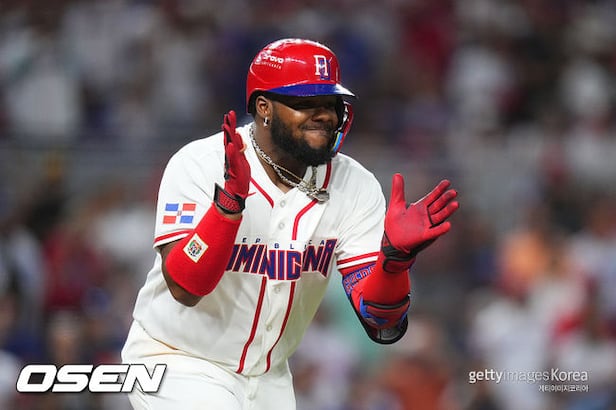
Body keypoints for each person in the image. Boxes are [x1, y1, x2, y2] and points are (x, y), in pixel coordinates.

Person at [121, 38, 459, 409]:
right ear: (264, 107)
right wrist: (227, 208)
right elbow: (185, 287)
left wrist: (394, 263)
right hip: (178, 359)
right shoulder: (202, 163)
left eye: (330, 103)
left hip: (270, 376)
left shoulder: (355, 185)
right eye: (305, 102)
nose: (324, 115)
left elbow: (379, 321)